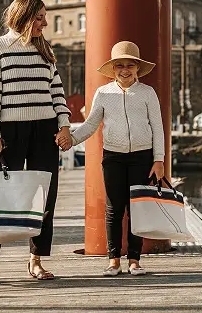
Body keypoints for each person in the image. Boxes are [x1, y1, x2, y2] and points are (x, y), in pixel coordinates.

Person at [0, 0, 73, 286]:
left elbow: (57, 92)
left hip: (45, 129)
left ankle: (36, 260)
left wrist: (64, 126)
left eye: (44, 17)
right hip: (9, 131)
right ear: (23, 16)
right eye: (39, 18)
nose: (45, 23)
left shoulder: (44, 48)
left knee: (44, 197)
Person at [63, 41, 165, 277]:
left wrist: (158, 160)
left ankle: (135, 260)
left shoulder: (148, 93)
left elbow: (158, 129)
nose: (125, 70)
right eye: (120, 65)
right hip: (113, 157)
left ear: (138, 68)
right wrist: (70, 140)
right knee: (114, 209)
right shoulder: (103, 93)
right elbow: (90, 124)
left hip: (142, 157)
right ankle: (113, 259)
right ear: (113, 69)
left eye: (130, 65)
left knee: (136, 209)